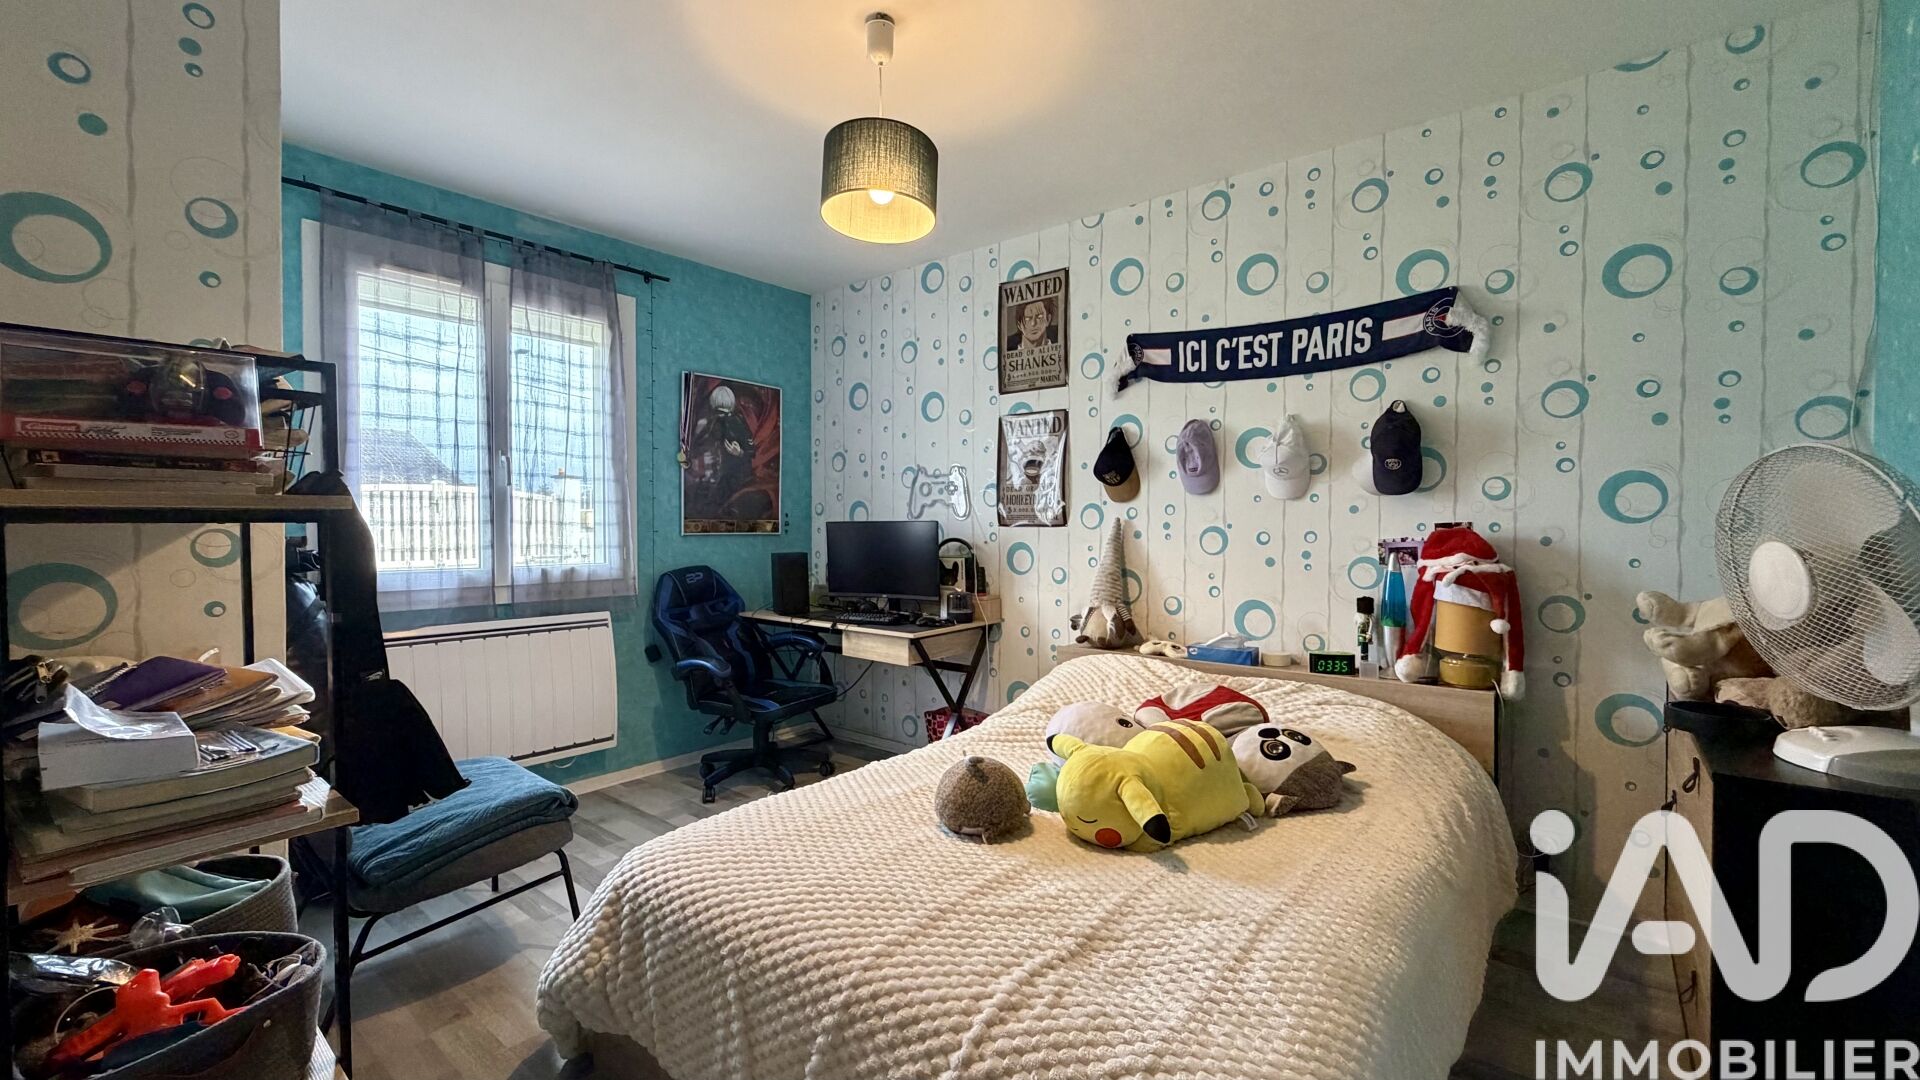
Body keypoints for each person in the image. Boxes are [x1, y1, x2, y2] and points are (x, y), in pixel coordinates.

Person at [688, 383, 756, 518]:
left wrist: (740, 453)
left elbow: (751, 451)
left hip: (733, 473)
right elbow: (701, 442)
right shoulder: (713, 422)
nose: (721, 417)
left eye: (723, 412)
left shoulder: (736, 423)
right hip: (718, 473)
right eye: (718, 412)